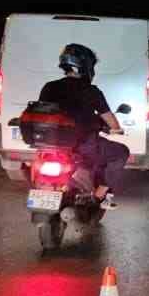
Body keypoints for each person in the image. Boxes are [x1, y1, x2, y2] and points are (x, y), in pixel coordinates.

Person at [38, 43, 128, 210]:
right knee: (121, 152)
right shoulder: (91, 91)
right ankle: (99, 198)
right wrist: (116, 129)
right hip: (83, 146)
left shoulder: (49, 87)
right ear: (87, 66)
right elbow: (112, 122)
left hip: (52, 146)